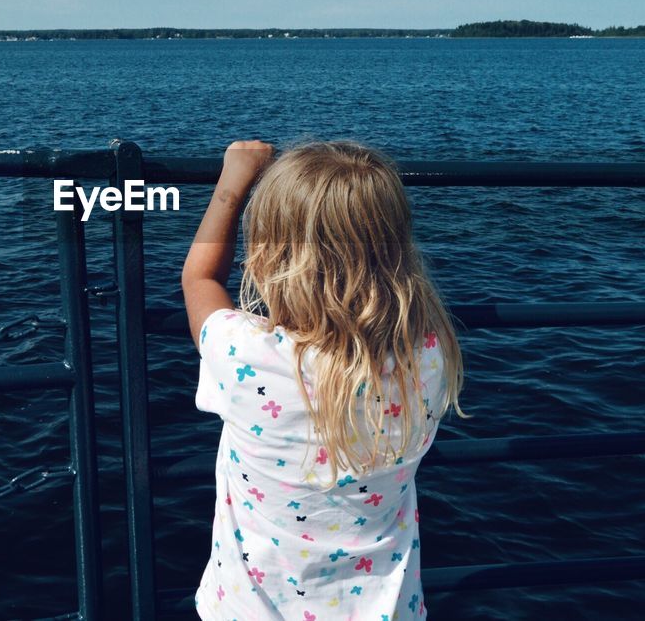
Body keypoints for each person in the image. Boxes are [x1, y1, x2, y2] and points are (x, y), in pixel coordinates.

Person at [183, 139, 465, 620]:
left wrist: (234, 181)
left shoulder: (245, 354)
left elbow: (199, 280)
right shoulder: (430, 354)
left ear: (273, 256)